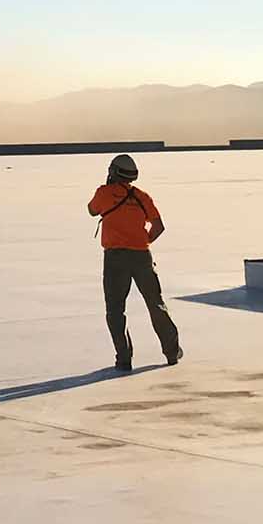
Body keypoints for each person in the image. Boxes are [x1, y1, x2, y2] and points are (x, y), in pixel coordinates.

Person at [87, 154, 181, 371]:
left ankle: (124, 358)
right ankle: (171, 352)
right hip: (142, 257)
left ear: (113, 172)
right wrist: (141, 240)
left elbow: (92, 210)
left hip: (115, 258)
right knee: (155, 304)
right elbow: (158, 227)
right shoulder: (142, 197)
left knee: (115, 309)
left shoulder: (103, 193)